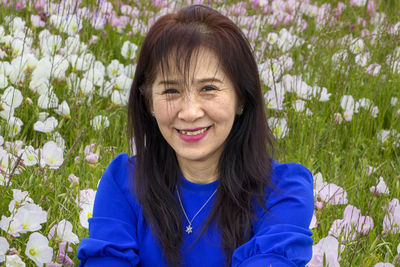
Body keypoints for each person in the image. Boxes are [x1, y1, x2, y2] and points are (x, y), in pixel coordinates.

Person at [77, 4, 314, 267]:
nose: (189, 112)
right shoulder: (124, 183)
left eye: (208, 88)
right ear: (148, 102)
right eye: (170, 91)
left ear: (242, 98)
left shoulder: (283, 191)